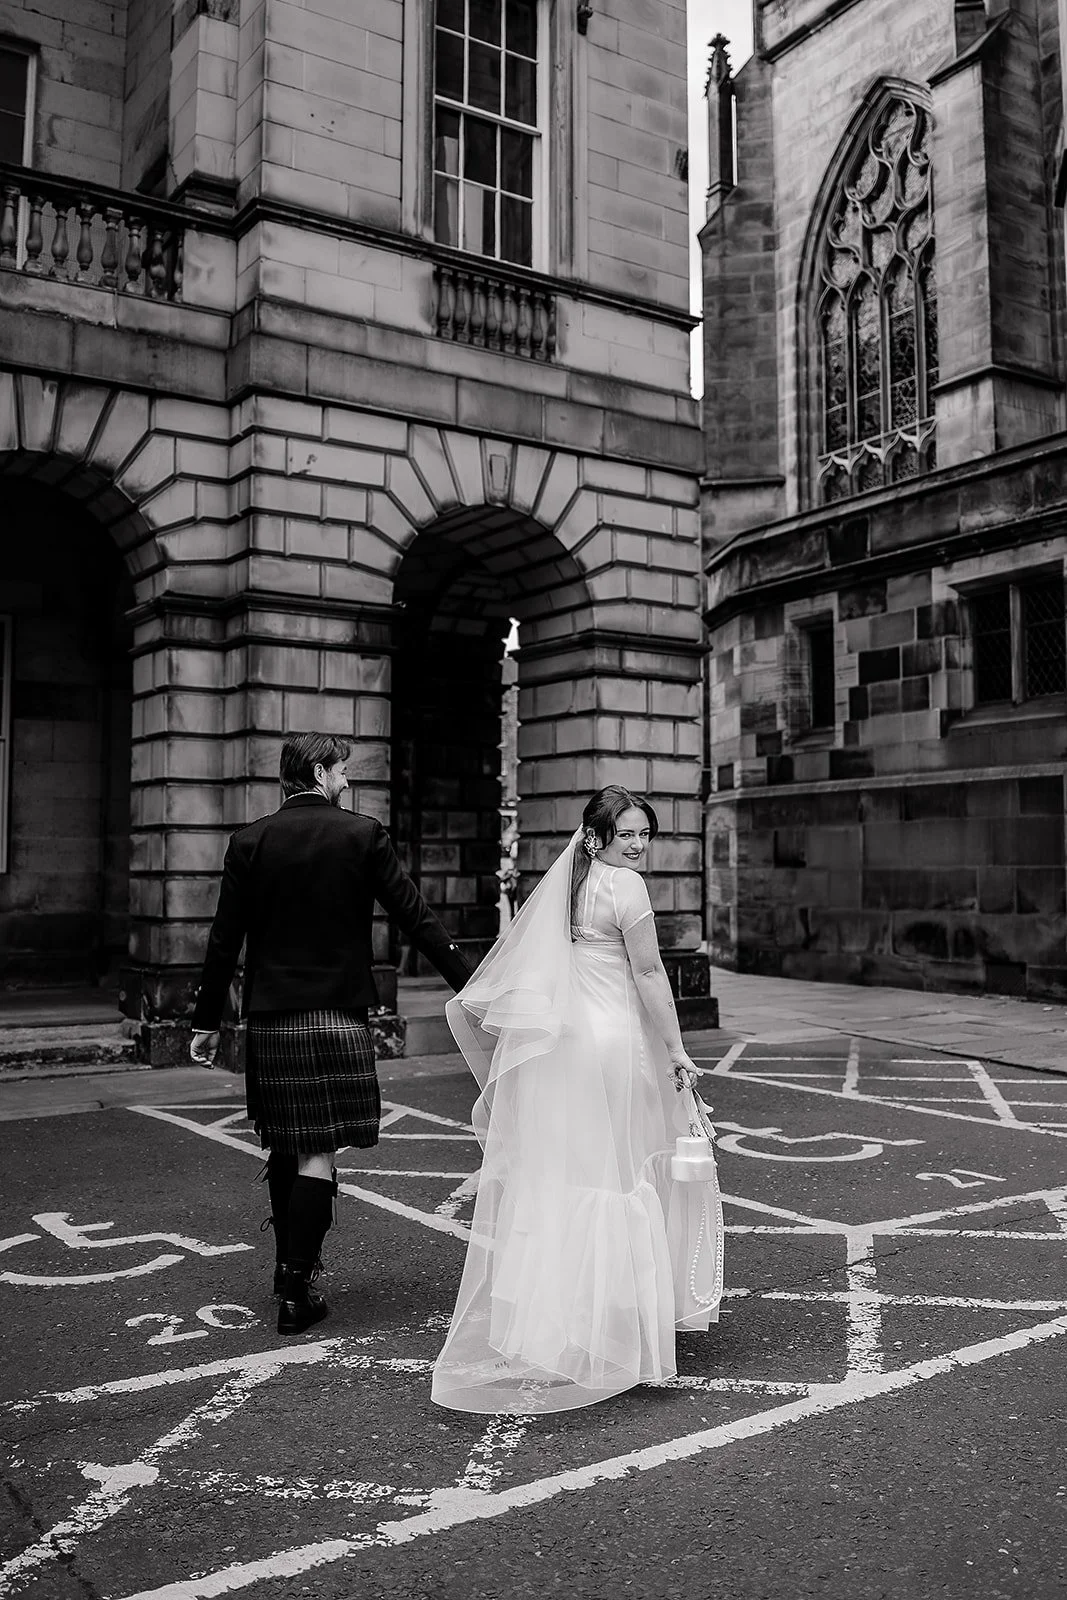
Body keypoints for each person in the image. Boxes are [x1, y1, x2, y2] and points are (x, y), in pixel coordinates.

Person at [431, 784, 724, 1414]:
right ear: (595, 837)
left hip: (566, 1047)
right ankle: (616, 1330)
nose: (640, 846)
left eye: (646, 834)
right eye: (628, 835)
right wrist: (676, 1049)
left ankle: (555, 1325)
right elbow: (649, 974)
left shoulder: (571, 884)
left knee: (567, 1172)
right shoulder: (627, 889)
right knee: (619, 1172)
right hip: (616, 1045)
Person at [190, 732, 473, 1337]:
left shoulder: (249, 841)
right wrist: (470, 984)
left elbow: (223, 940)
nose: (348, 780)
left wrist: (206, 1022)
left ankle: (287, 1273)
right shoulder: (362, 835)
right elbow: (415, 917)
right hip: (338, 1016)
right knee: (317, 1148)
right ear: (320, 773)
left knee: (285, 1142)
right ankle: (296, 1287)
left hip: (271, 1018)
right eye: (343, 770)